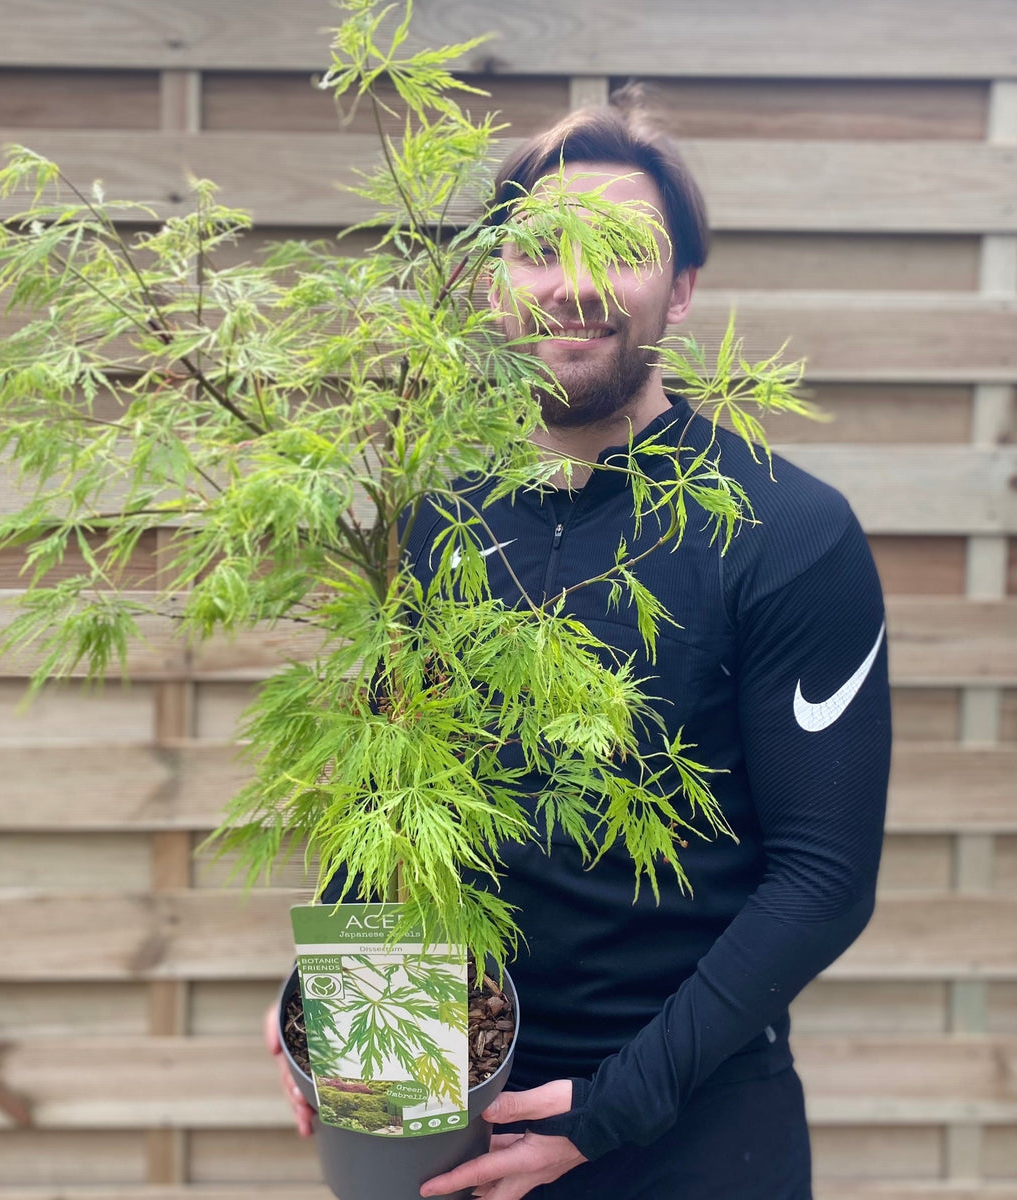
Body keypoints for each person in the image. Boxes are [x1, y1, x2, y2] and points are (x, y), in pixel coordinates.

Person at [267, 98, 892, 1200]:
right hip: (437, 1100)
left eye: (623, 250)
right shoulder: (437, 519)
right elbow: (392, 805)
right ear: (491, 281)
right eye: (540, 248)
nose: (576, 282)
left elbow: (823, 880)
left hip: (688, 1133)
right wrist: (339, 1002)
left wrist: (608, 1112)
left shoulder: (790, 534)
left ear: (681, 289)